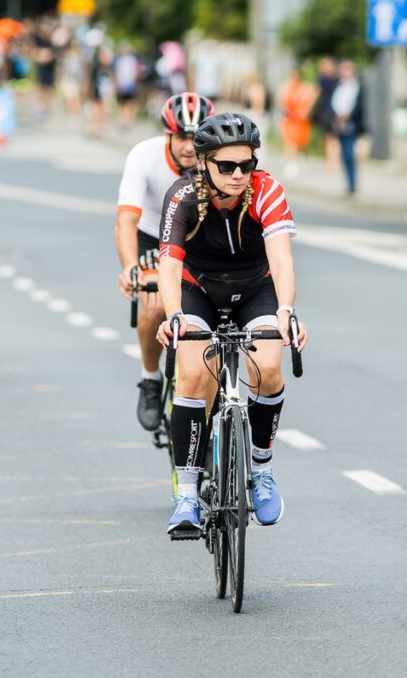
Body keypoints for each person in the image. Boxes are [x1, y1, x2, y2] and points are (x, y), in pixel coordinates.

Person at [156, 112, 307, 532]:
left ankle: (262, 470)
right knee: (192, 375)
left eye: (247, 164)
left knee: (269, 368)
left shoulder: (266, 190)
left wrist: (286, 311)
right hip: (198, 290)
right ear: (204, 162)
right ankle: (187, 496)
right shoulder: (182, 195)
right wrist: (173, 314)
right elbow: (169, 265)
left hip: (255, 288)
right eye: (227, 166)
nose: (239, 174)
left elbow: (281, 257)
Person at [116, 93, 215, 432]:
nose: (189, 147)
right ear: (167, 135)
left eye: (196, 137)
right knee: (156, 305)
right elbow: (126, 221)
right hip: (152, 236)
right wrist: (131, 268)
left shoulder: (214, 161)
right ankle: (150, 378)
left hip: (196, 238)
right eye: (181, 137)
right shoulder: (144, 156)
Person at [329, 60, 366, 197]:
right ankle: (348, 184)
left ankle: (352, 184)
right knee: (344, 156)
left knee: (350, 155)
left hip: (352, 125)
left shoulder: (357, 87)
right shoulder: (338, 86)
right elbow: (333, 103)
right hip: (340, 125)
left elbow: (359, 106)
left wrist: (349, 115)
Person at [276, 68, 316, 178]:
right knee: (290, 142)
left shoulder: (304, 88)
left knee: (302, 143)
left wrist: (306, 111)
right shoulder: (285, 88)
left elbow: (311, 97)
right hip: (289, 119)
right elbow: (280, 103)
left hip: (301, 120)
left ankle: (303, 160)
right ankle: (291, 164)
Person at [112, 41, 139, 129]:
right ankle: (121, 121)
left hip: (130, 85)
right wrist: (117, 85)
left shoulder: (132, 60)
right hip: (122, 85)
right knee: (122, 104)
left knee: (130, 103)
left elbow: (135, 73)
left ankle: (128, 120)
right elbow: (116, 73)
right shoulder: (119, 60)